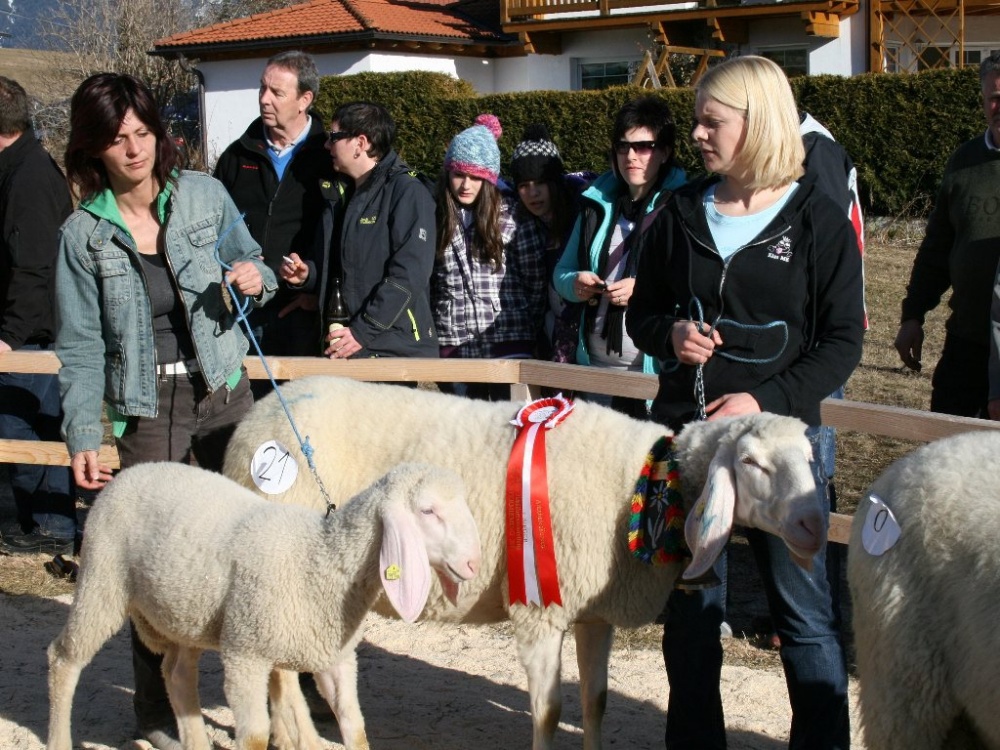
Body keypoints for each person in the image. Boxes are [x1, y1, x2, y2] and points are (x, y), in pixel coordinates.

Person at [628, 56, 864, 749]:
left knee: (804, 618)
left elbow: (844, 342)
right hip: (691, 447)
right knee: (691, 617)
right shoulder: (677, 211)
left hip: (782, 453)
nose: (697, 134)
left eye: (712, 122)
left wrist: (764, 400)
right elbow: (642, 314)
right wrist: (670, 334)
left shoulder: (819, 219)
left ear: (757, 123)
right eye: (697, 120)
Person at [55, 73, 275, 748]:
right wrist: (82, 432)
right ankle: (157, 713)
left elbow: (256, 265)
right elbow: (80, 345)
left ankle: (277, 700)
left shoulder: (205, 193)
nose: (134, 149)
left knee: (259, 546)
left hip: (226, 392)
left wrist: (254, 278)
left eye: (142, 133)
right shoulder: (82, 236)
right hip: (145, 408)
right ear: (93, 149)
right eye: (117, 139)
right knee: (152, 565)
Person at [552, 94, 686, 417]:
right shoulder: (594, 204)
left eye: (644, 146)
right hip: (594, 371)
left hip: (653, 375)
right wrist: (576, 283)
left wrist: (643, 290)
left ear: (665, 152)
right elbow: (562, 273)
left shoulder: (683, 208)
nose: (631, 156)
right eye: (623, 146)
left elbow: (694, 290)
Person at [279, 101, 437, 359]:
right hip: (348, 345)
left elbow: (410, 273)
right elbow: (347, 270)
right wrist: (308, 275)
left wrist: (363, 331)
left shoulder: (408, 192)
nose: (327, 145)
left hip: (394, 352)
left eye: (334, 137)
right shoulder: (341, 194)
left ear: (361, 143)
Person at [895, 50, 1000, 418]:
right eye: (994, 97)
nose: (999, 107)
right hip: (967, 342)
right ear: (983, 99)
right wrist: (913, 314)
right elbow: (937, 248)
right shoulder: (964, 162)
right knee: (947, 440)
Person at [213, 50, 335, 364]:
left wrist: (318, 292)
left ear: (304, 99)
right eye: (262, 88)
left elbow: (346, 237)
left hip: (305, 314)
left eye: (277, 92)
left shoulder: (330, 159)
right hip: (246, 309)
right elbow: (213, 227)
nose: (264, 99)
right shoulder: (236, 156)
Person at [0, 76, 76, 555]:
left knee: (23, 424)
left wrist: (9, 336)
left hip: (32, 330)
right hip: (29, 326)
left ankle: (49, 525)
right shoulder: (19, 168)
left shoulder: (27, 179)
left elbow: (34, 266)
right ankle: (40, 521)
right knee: (27, 422)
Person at [431, 114, 545, 400]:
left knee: (509, 423)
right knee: (462, 426)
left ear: (489, 179)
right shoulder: (435, 215)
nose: (465, 185)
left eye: (475, 177)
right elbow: (432, 282)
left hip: (509, 339)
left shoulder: (513, 215)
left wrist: (522, 324)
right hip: (454, 342)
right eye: (459, 174)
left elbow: (536, 281)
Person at [509, 123, 594, 364]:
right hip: (548, 332)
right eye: (524, 185)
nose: (533, 193)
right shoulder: (522, 223)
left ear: (554, 182)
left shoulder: (584, 214)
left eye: (540, 183)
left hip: (587, 329)